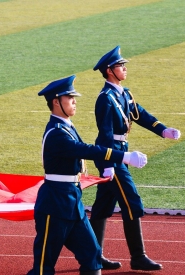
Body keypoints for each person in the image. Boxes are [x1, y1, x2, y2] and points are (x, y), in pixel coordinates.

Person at [27, 75, 148, 275]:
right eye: (70, 98)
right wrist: (124, 156)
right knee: (43, 267)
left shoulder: (67, 127)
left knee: (92, 256)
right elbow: (86, 150)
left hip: (73, 204)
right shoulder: (57, 133)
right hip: (55, 206)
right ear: (56, 102)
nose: (74, 101)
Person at [89, 45, 181, 271]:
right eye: (121, 66)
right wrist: (110, 165)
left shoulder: (123, 94)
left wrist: (163, 129)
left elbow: (139, 114)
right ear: (110, 71)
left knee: (102, 207)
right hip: (112, 156)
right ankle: (138, 256)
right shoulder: (105, 98)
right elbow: (106, 134)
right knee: (131, 202)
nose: (125, 68)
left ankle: (93, 256)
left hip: (119, 153)